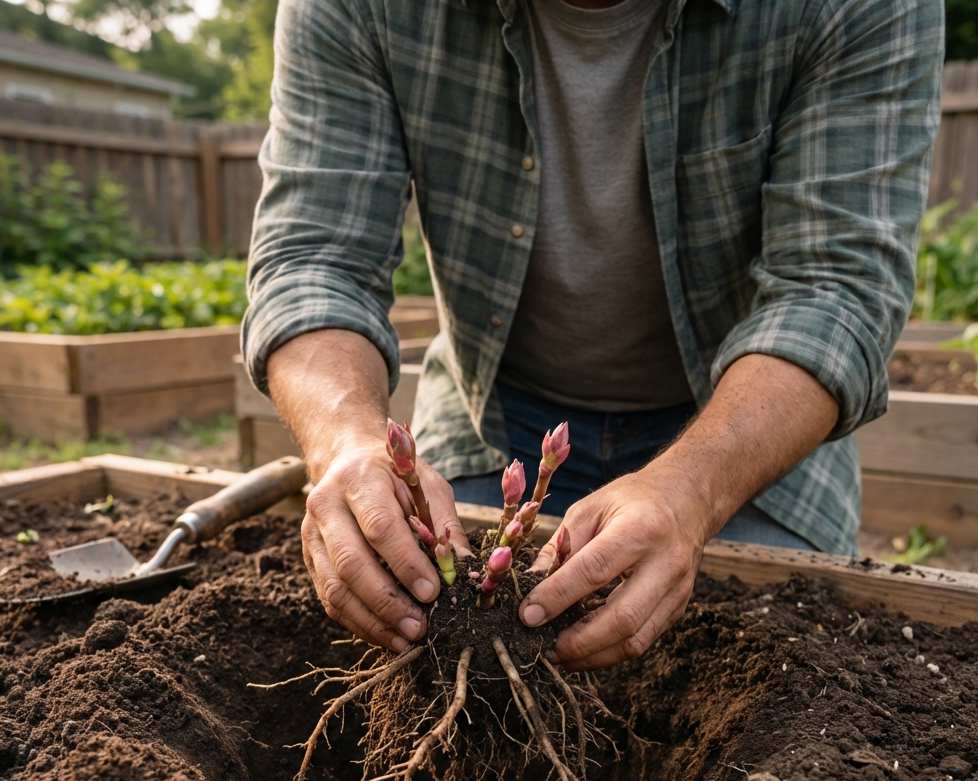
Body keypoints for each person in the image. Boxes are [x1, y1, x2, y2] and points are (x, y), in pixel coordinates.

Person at [242, 0, 943, 670]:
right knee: (428, 625)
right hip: (495, 416)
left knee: (783, 679)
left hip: (747, 432)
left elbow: (834, 290)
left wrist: (690, 490)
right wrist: (348, 440)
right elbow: (314, 258)